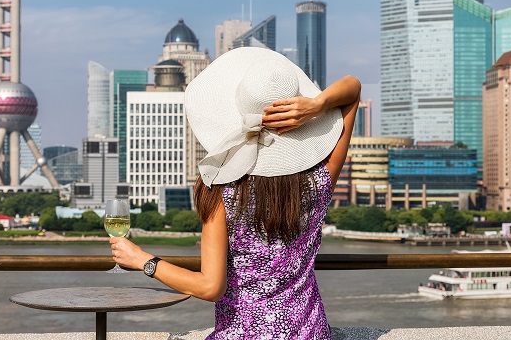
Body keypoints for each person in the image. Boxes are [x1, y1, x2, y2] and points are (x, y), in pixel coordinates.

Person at [110, 47, 360, 339]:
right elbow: (352, 90)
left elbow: (210, 287)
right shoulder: (320, 179)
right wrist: (316, 105)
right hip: (309, 332)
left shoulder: (221, 188)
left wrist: (143, 260)